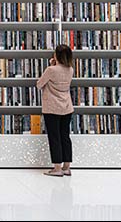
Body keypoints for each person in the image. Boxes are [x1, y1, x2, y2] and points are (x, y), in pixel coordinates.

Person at [37, 44, 74, 177]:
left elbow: (39, 84)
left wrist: (51, 65)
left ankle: (57, 168)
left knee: (54, 137)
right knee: (65, 136)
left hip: (52, 107)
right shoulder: (70, 70)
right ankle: (67, 167)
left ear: (56, 56)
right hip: (67, 107)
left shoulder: (50, 70)